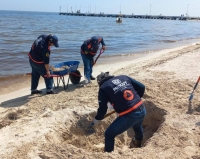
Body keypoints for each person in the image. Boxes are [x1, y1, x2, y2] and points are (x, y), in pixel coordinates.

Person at [89, 72, 146, 152]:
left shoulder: (103, 88)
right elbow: (142, 87)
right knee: (137, 126)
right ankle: (138, 142)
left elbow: (103, 109)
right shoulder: (124, 77)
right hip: (142, 108)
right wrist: (136, 99)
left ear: (99, 82)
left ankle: (108, 154)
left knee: (109, 134)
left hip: (129, 115)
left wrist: (97, 118)